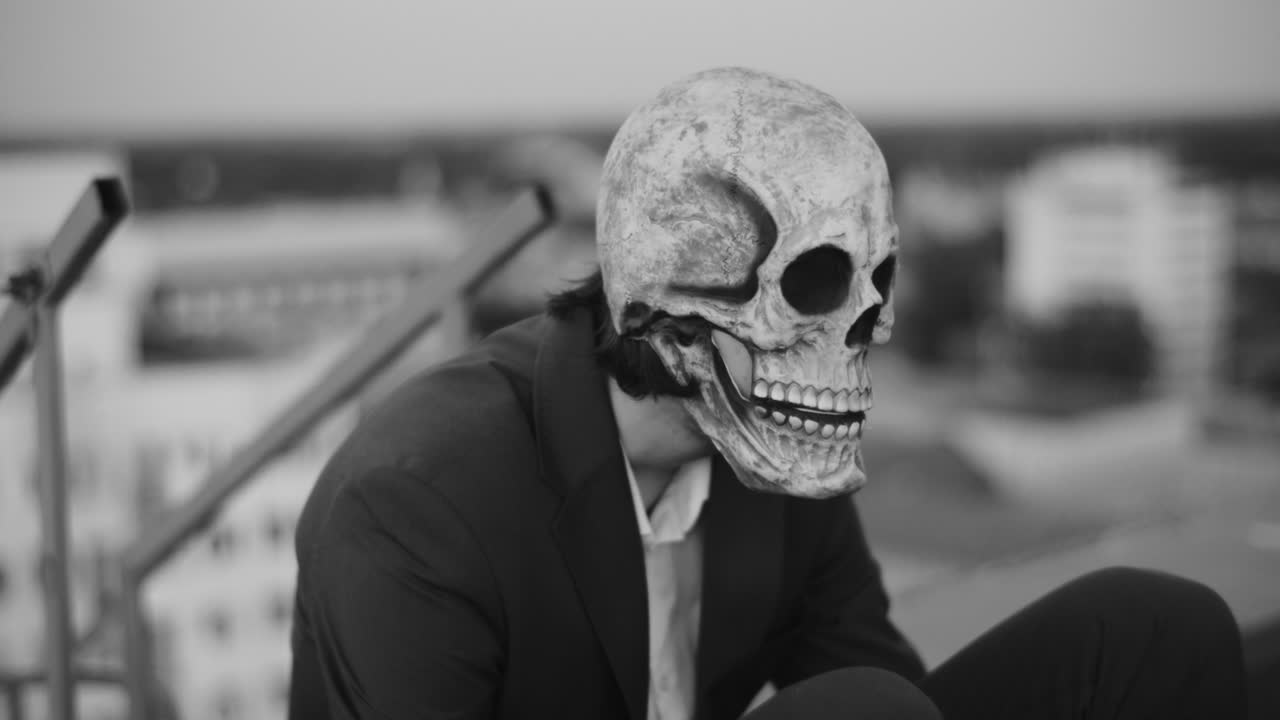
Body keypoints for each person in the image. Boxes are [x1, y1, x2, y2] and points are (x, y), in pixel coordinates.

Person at [289, 68, 1246, 719]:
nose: (864, 332)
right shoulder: (416, 502)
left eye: (875, 285)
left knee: (1153, 625)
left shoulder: (774, 450)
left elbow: (883, 678)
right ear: (657, 300)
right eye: (814, 285)